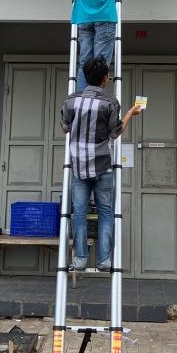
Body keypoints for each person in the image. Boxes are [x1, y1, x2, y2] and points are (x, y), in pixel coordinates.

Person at [61, 56, 142, 271]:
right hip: (103, 166)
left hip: (79, 167)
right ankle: (104, 260)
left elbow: (65, 128)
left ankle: (80, 259)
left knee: (78, 213)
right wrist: (130, 113)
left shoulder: (71, 101)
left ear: (85, 76)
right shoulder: (110, 103)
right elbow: (115, 133)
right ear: (105, 78)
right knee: (106, 212)